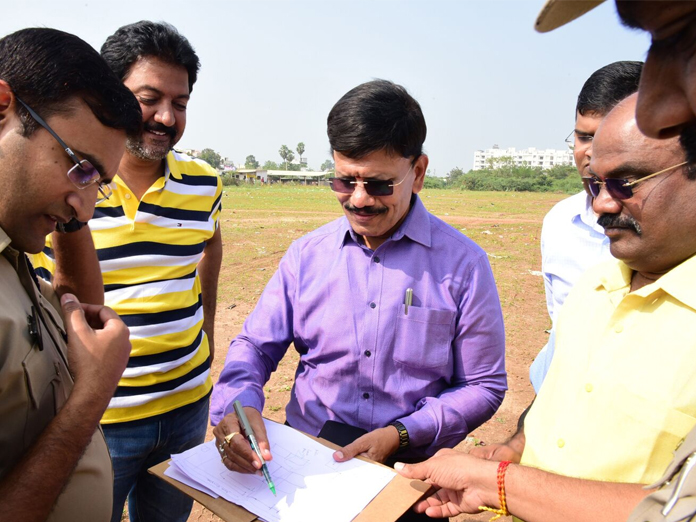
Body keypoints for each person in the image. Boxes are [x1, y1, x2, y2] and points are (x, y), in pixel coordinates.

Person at [398, 92, 696, 522]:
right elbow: (559, 403)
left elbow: (674, 511)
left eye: (626, 184)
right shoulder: (595, 285)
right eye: (595, 184)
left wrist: (501, 484)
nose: (601, 205)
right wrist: (515, 452)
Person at [210, 80, 506, 479]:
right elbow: (255, 346)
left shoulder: (464, 266)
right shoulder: (306, 256)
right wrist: (239, 402)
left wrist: (402, 433)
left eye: (380, 184)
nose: (360, 198)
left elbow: (483, 384)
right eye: (345, 181)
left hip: (408, 471)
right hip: (310, 461)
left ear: (417, 172)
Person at [33, 21, 223, 522]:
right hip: (101, 420)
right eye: (149, 97)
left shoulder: (206, 185)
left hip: (187, 408)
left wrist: (202, 340)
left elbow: (208, 258)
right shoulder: (66, 186)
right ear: (109, 94)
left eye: (179, 103)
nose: (166, 117)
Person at [0, 27, 142, 522]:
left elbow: (75, 308)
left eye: (98, 183)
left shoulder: (14, 251)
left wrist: (73, 203)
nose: (86, 205)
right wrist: (92, 396)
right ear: (3, 106)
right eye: (80, 166)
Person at [530, 60, 641, 392]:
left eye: (607, 136)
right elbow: (560, 327)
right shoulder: (560, 224)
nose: (592, 154)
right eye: (584, 136)